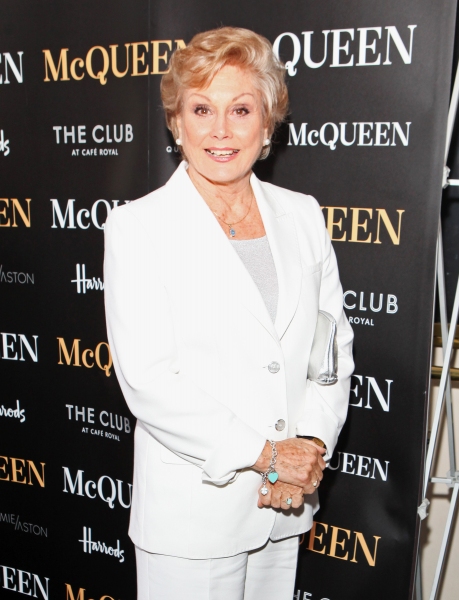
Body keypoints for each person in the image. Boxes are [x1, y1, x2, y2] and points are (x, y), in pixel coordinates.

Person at [104, 26, 354, 600]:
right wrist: (269, 458)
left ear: (267, 124)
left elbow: (330, 346)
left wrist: (310, 447)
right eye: (201, 109)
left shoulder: (303, 215)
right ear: (176, 122)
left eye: (240, 109)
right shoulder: (140, 228)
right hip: (193, 516)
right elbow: (148, 380)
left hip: (284, 508)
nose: (220, 130)